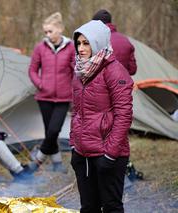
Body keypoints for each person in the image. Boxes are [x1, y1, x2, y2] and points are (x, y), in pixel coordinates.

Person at [70, 20, 133, 213]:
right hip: (83, 153)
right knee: (88, 208)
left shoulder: (114, 71)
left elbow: (124, 115)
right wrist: (74, 145)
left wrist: (110, 153)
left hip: (108, 153)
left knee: (111, 207)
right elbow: (76, 112)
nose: (81, 48)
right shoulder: (79, 71)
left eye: (86, 43)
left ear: (97, 42)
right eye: (78, 43)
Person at [28, 12, 74, 173]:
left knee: (54, 130)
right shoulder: (40, 48)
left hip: (63, 98)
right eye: (45, 32)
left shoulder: (71, 47)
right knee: (49, 132)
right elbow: (32, 70)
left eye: (50, 31)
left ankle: (38, 159)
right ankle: (57, 163)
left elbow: (76, 70)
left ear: (60, 29)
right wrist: (40, 84)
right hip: (44, 97)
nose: (48, 35)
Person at [92, 9, 137, 76]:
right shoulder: (126, 40)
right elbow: (132, 69)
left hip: (102, 85)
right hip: (122, 83)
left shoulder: (94, 40)